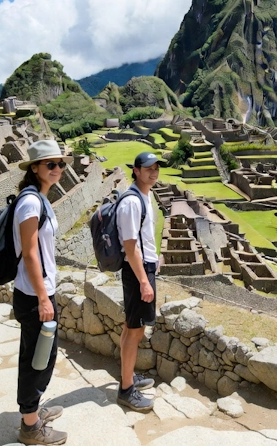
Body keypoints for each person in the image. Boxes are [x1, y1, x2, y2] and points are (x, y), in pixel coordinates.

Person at [13, 139, 72, 445]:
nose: (57, 169)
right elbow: (31, 252)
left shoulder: (40, 198)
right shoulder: (30, 202)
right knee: (36, 359)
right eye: (51, 165)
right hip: (34, 295)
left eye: (60, 164)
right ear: (35, 168)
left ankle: (34, 411)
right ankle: (30, 427)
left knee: (42, 356)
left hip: (39, 292)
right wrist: (42, 297)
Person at [115, 151, 165, 412]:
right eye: (148, 168)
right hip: (137, 271)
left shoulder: (145, 196)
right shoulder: (132, 202)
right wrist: (145, 281)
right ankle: (126, 390)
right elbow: (130, 246)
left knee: (130, 326)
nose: (153, 172)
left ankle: (128, 375)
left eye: (156, 167)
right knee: (136, 331)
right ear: (135, 170)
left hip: (143, 267)